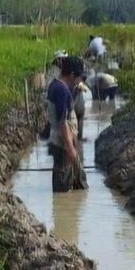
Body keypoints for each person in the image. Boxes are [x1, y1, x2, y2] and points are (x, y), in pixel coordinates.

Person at [46, 56, 88, 192]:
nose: (80, 80)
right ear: (71, 75)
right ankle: (62, 211)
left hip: (62, 141)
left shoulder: (58, 86)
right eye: (78, 77)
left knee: (75, 182)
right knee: (63, 186)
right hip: (62, 143)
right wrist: (70, 147)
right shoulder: (61, 90)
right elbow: (62, 122)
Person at [72, 74, 90, 140]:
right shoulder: (77, 84)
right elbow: (85, 89)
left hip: (78, 107)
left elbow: (85, 90)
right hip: (76, 107)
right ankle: (77, 139)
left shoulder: (78, 84)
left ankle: (78, 138)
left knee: (78, 122)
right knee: (76, 123)